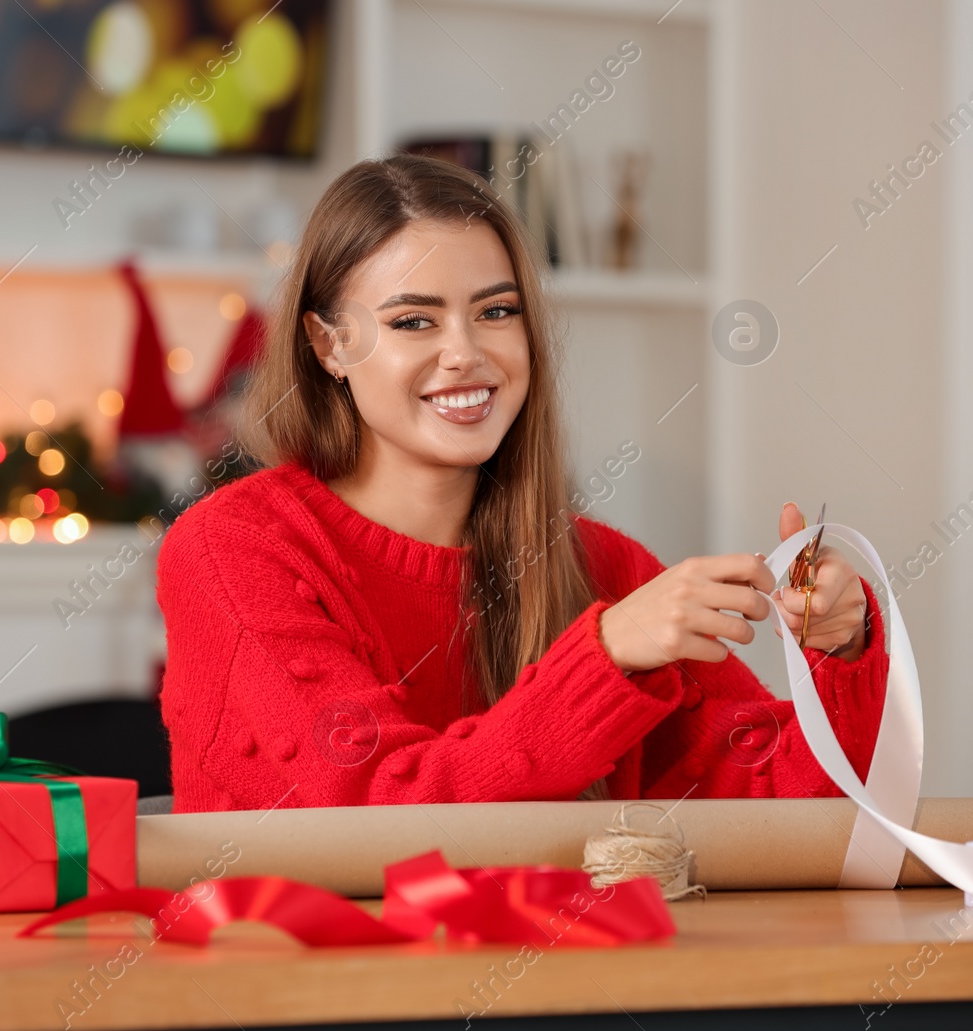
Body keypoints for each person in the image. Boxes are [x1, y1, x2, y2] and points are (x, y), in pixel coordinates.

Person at [157, 154, 888, 813]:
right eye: (414, 321)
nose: (466, 354)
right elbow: (376, 811)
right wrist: (606, 655)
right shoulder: (231, 550)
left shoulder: (604, 568)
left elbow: (788, 805)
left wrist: (841, 650)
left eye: (496, 312)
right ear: (330, 345)